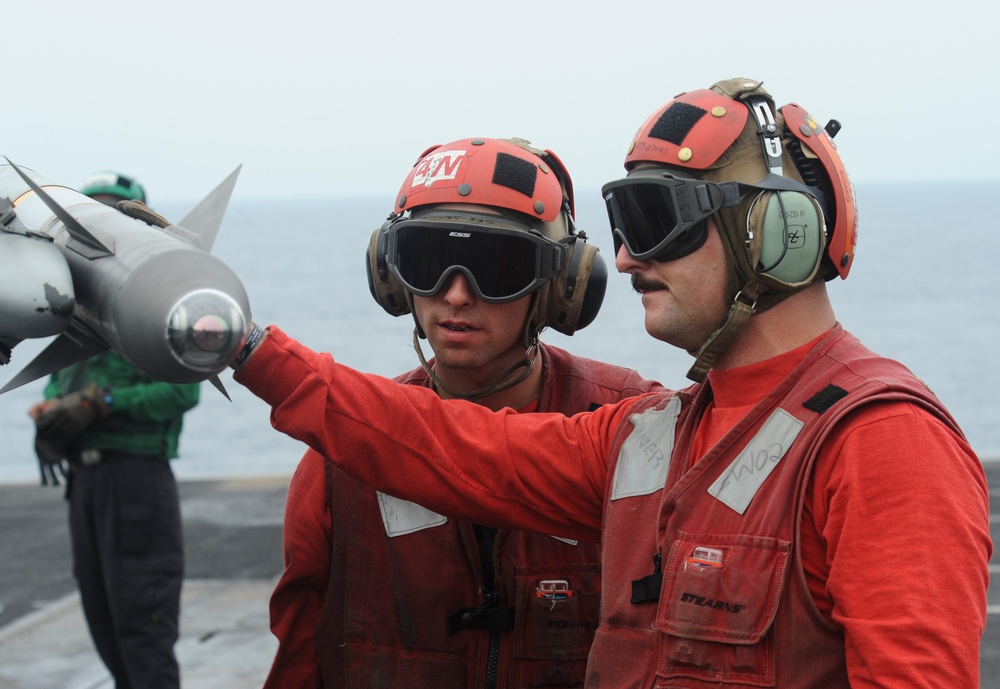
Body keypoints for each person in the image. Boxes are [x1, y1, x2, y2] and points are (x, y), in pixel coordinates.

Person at [231, 79, 991, 687]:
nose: (626, 260)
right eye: (623, 226)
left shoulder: (882, 444)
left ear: (774, 232)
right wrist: (242, 344)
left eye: (659, 218)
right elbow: (450, 443)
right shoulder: (652, 432)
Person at [262, 137, 662, 688]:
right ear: (390, 273)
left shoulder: (632, 426)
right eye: (426, 261)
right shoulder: (339, 460)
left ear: (559, 285)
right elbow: (300, 658)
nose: (454, 295)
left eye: (495, 267)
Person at [28, 171, 200, 689]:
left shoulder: (161, 301)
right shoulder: (81, 306)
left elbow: (181, 391)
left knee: (143, 636)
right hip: (87, 486)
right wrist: (54, 418)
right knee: (104, 626)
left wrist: (102, 404)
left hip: (136, 484)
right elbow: (60, 386)